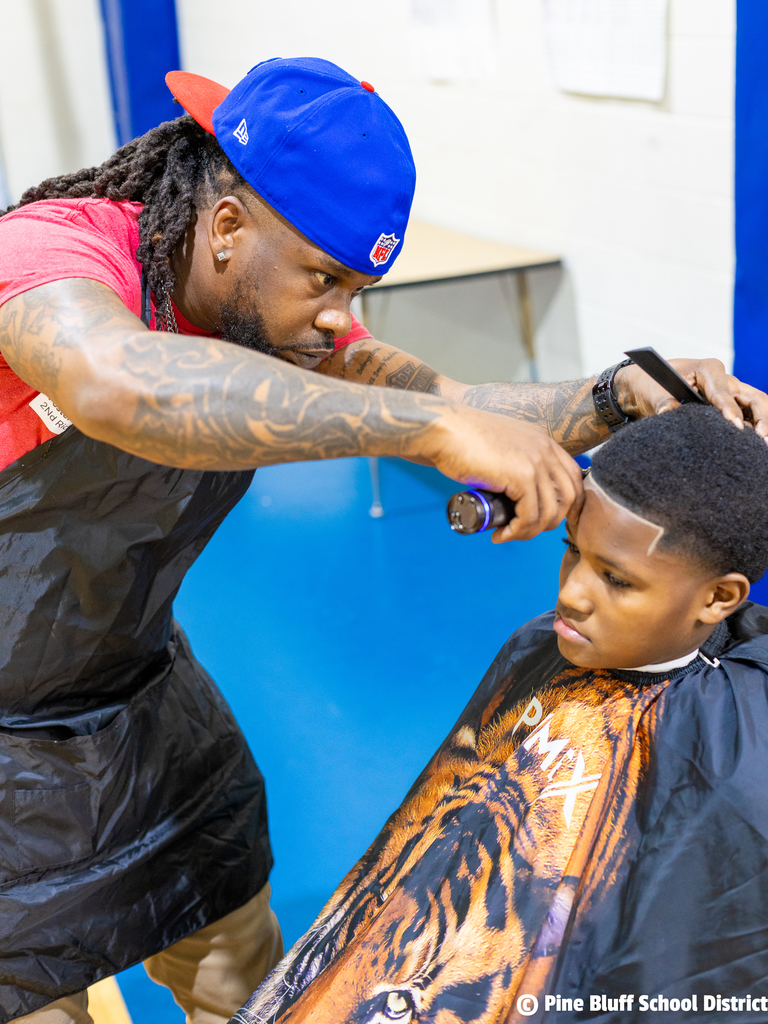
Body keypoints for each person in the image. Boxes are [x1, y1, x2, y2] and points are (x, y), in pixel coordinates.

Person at [0, 55, 764, 1024]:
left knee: (237, 958)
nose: (338, 319)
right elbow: (118, 381)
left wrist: (618, 392)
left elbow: (452, 400)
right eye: (323, 279)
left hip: (133, 681)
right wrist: (433, 435)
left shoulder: (277, 318)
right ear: (228, 226)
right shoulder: (52, 256)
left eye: (357, 289)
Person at [236, 405, 768, 1024]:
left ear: (720, 597)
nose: (570, 592)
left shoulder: (735, 745)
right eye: (573, 551)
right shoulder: (539, 645)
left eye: (616, 580)